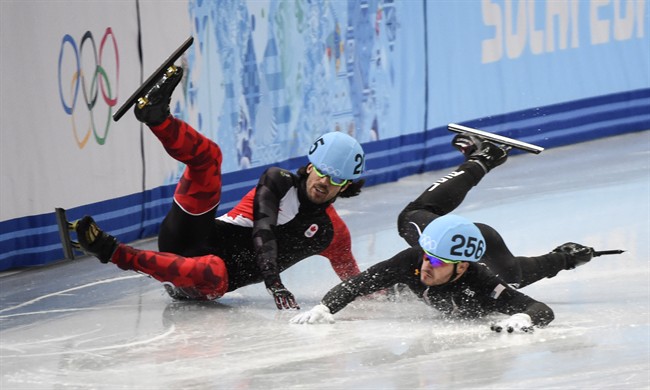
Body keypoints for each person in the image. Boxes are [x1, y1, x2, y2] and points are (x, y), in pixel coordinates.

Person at [70, 66, 366, 310]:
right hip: (188, 236)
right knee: (210, 158)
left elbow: (356, 281)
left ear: (346, 186)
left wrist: (399, 282)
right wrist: (274, 283)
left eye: (337, 179)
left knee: (215, 268)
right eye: (322, 171)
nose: (325, 182)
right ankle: (158, 118)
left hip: (204, 283)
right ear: (310, 165)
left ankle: (109, 250)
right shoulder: (277, 181)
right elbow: (263, 231)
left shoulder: (332, 233)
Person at [291, 134, 599, 332]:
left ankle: (564, 257)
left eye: (436, 263)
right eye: (427, 258)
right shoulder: (416, 259)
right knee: (409, 223)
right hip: (446, 240)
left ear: (462, 266)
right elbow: (357, 284)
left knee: (513, 274)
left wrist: (524, 318)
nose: (426, 265)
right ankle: (483, 159)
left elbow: (535, 308)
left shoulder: (482, 282)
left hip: (481, 246)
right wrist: (324, 307)